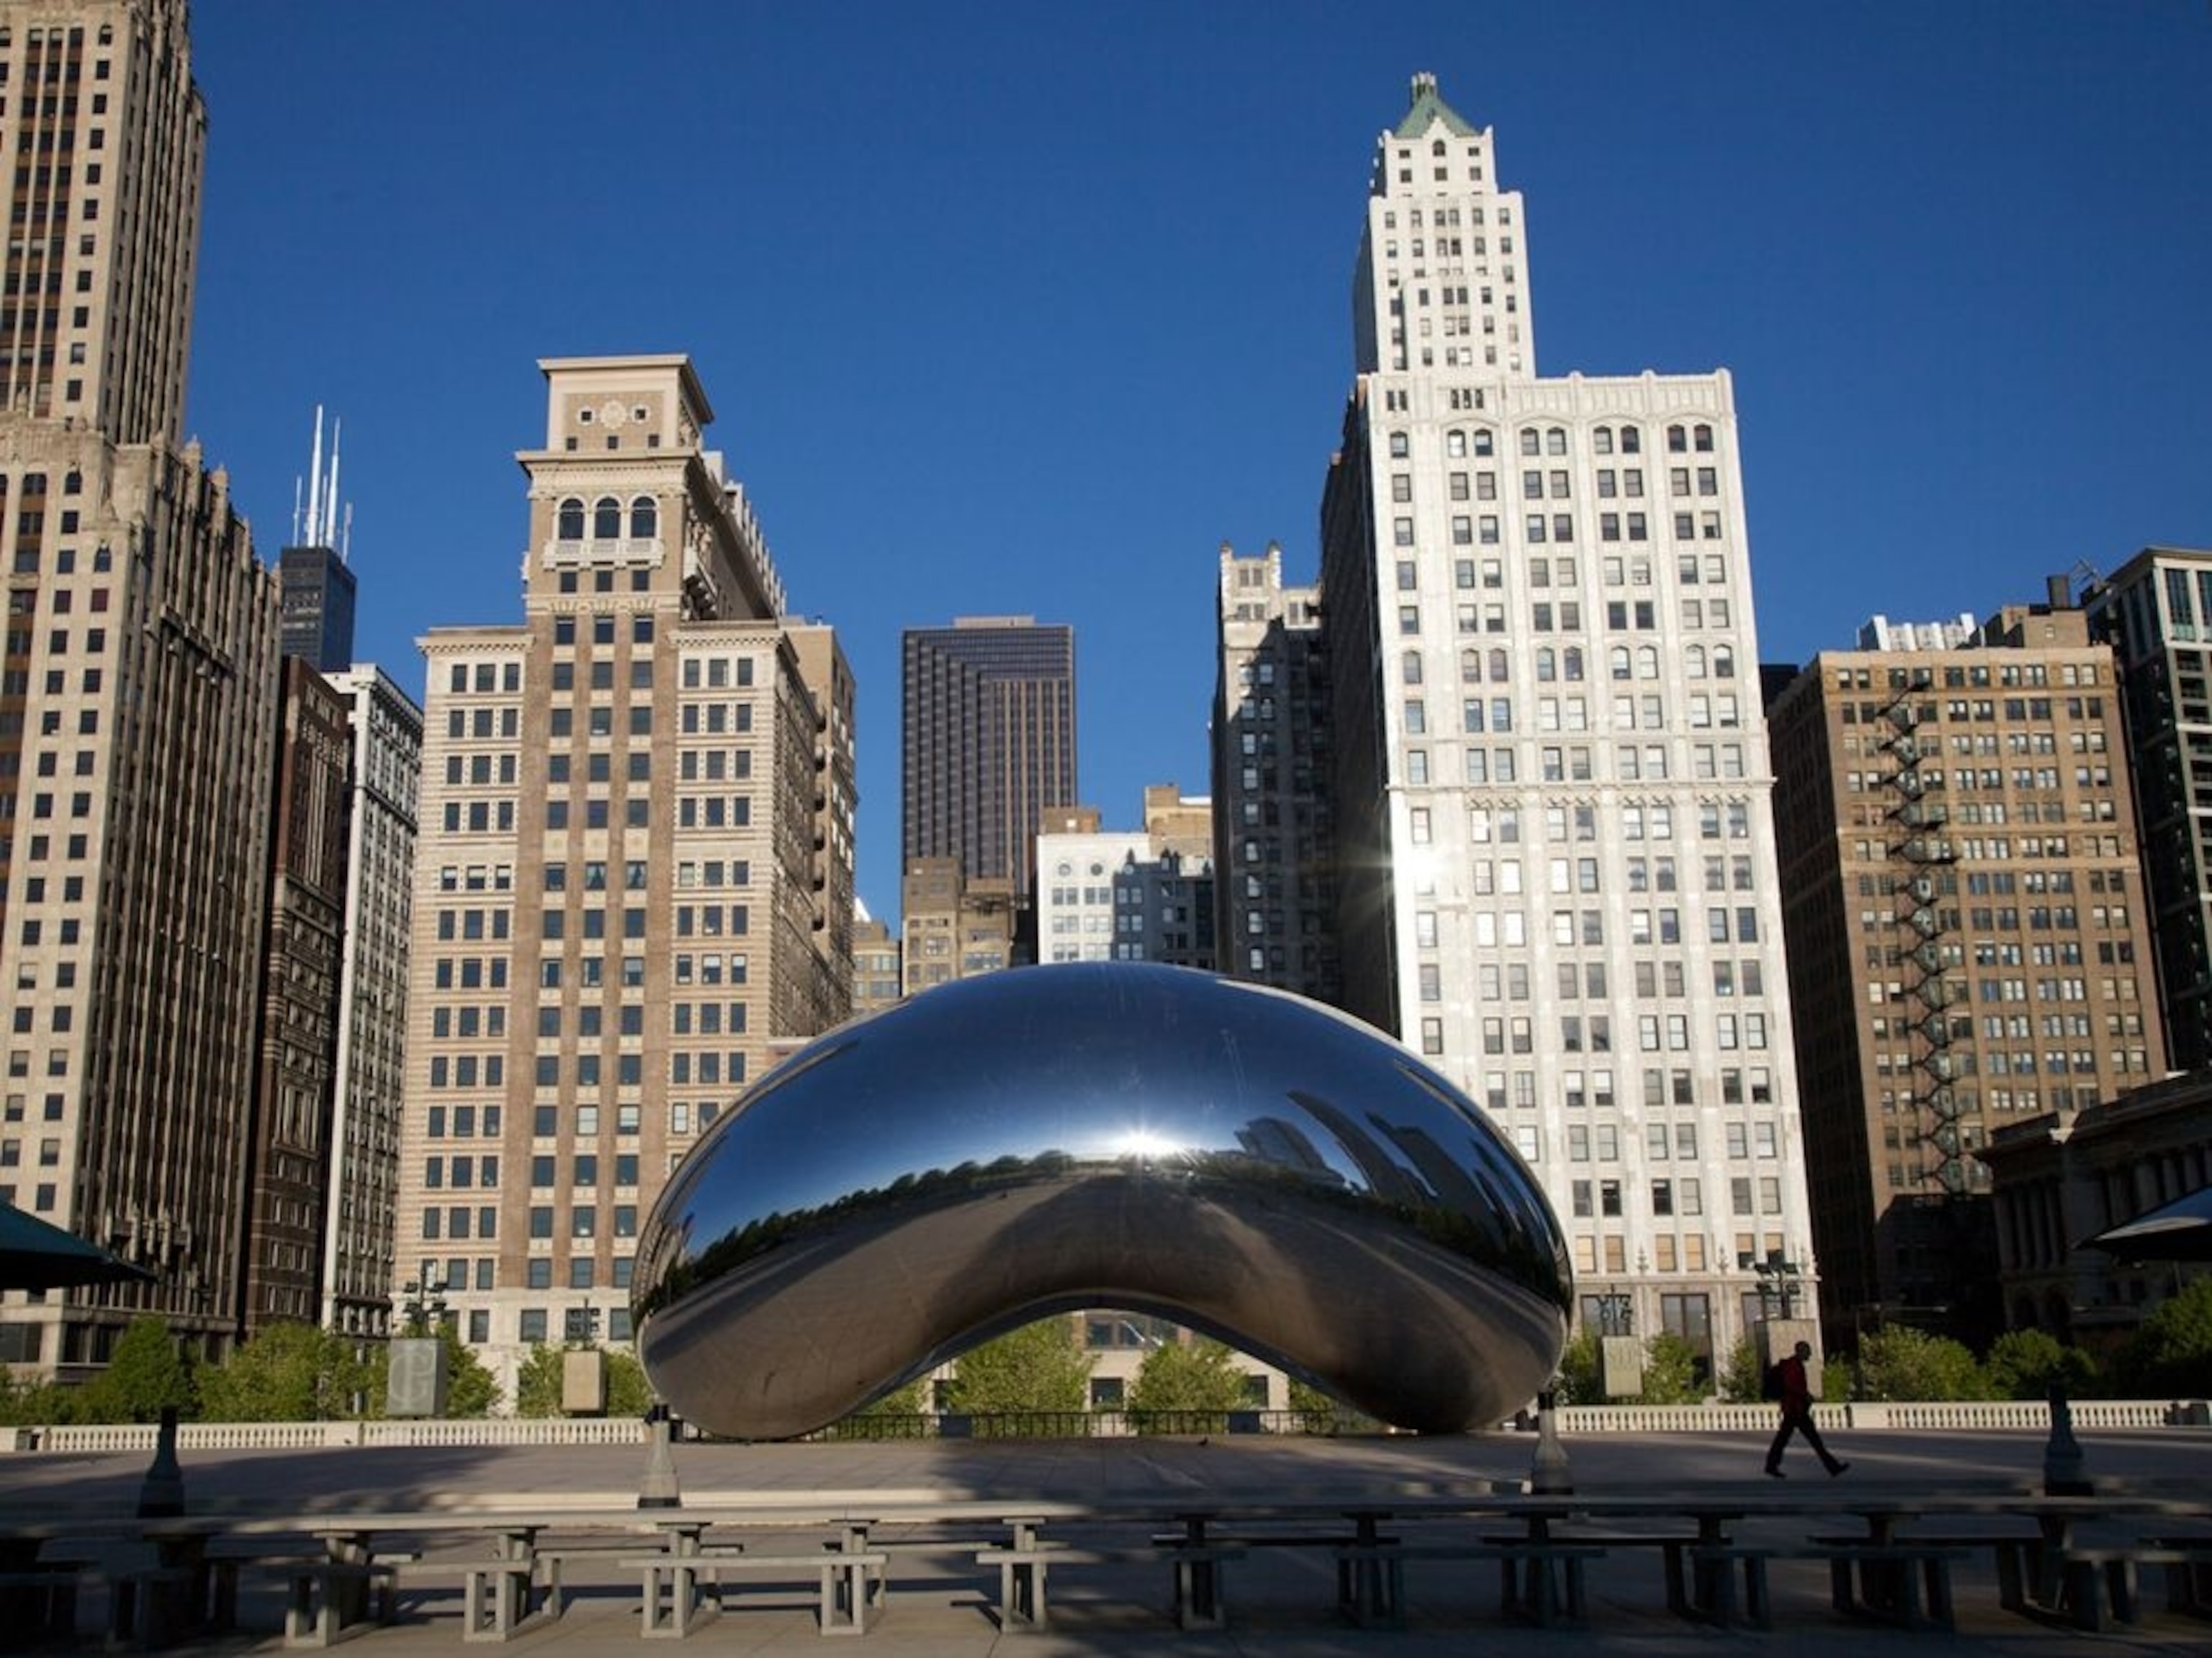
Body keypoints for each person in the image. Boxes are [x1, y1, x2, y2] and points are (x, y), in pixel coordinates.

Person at [1763, 1340, 1848, 1478]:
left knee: (1785, 1439)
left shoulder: (1795, 1365)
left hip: (1794, 1409)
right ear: (1800, 1351)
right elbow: (1791, 1385)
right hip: (1795, 1409)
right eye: (1807, 1350)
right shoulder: (1794, 1365)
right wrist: (1805, 1395)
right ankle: (1833, 1467)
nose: (1810, 1353)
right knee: (1812, 1440)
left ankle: (1771, 1465)